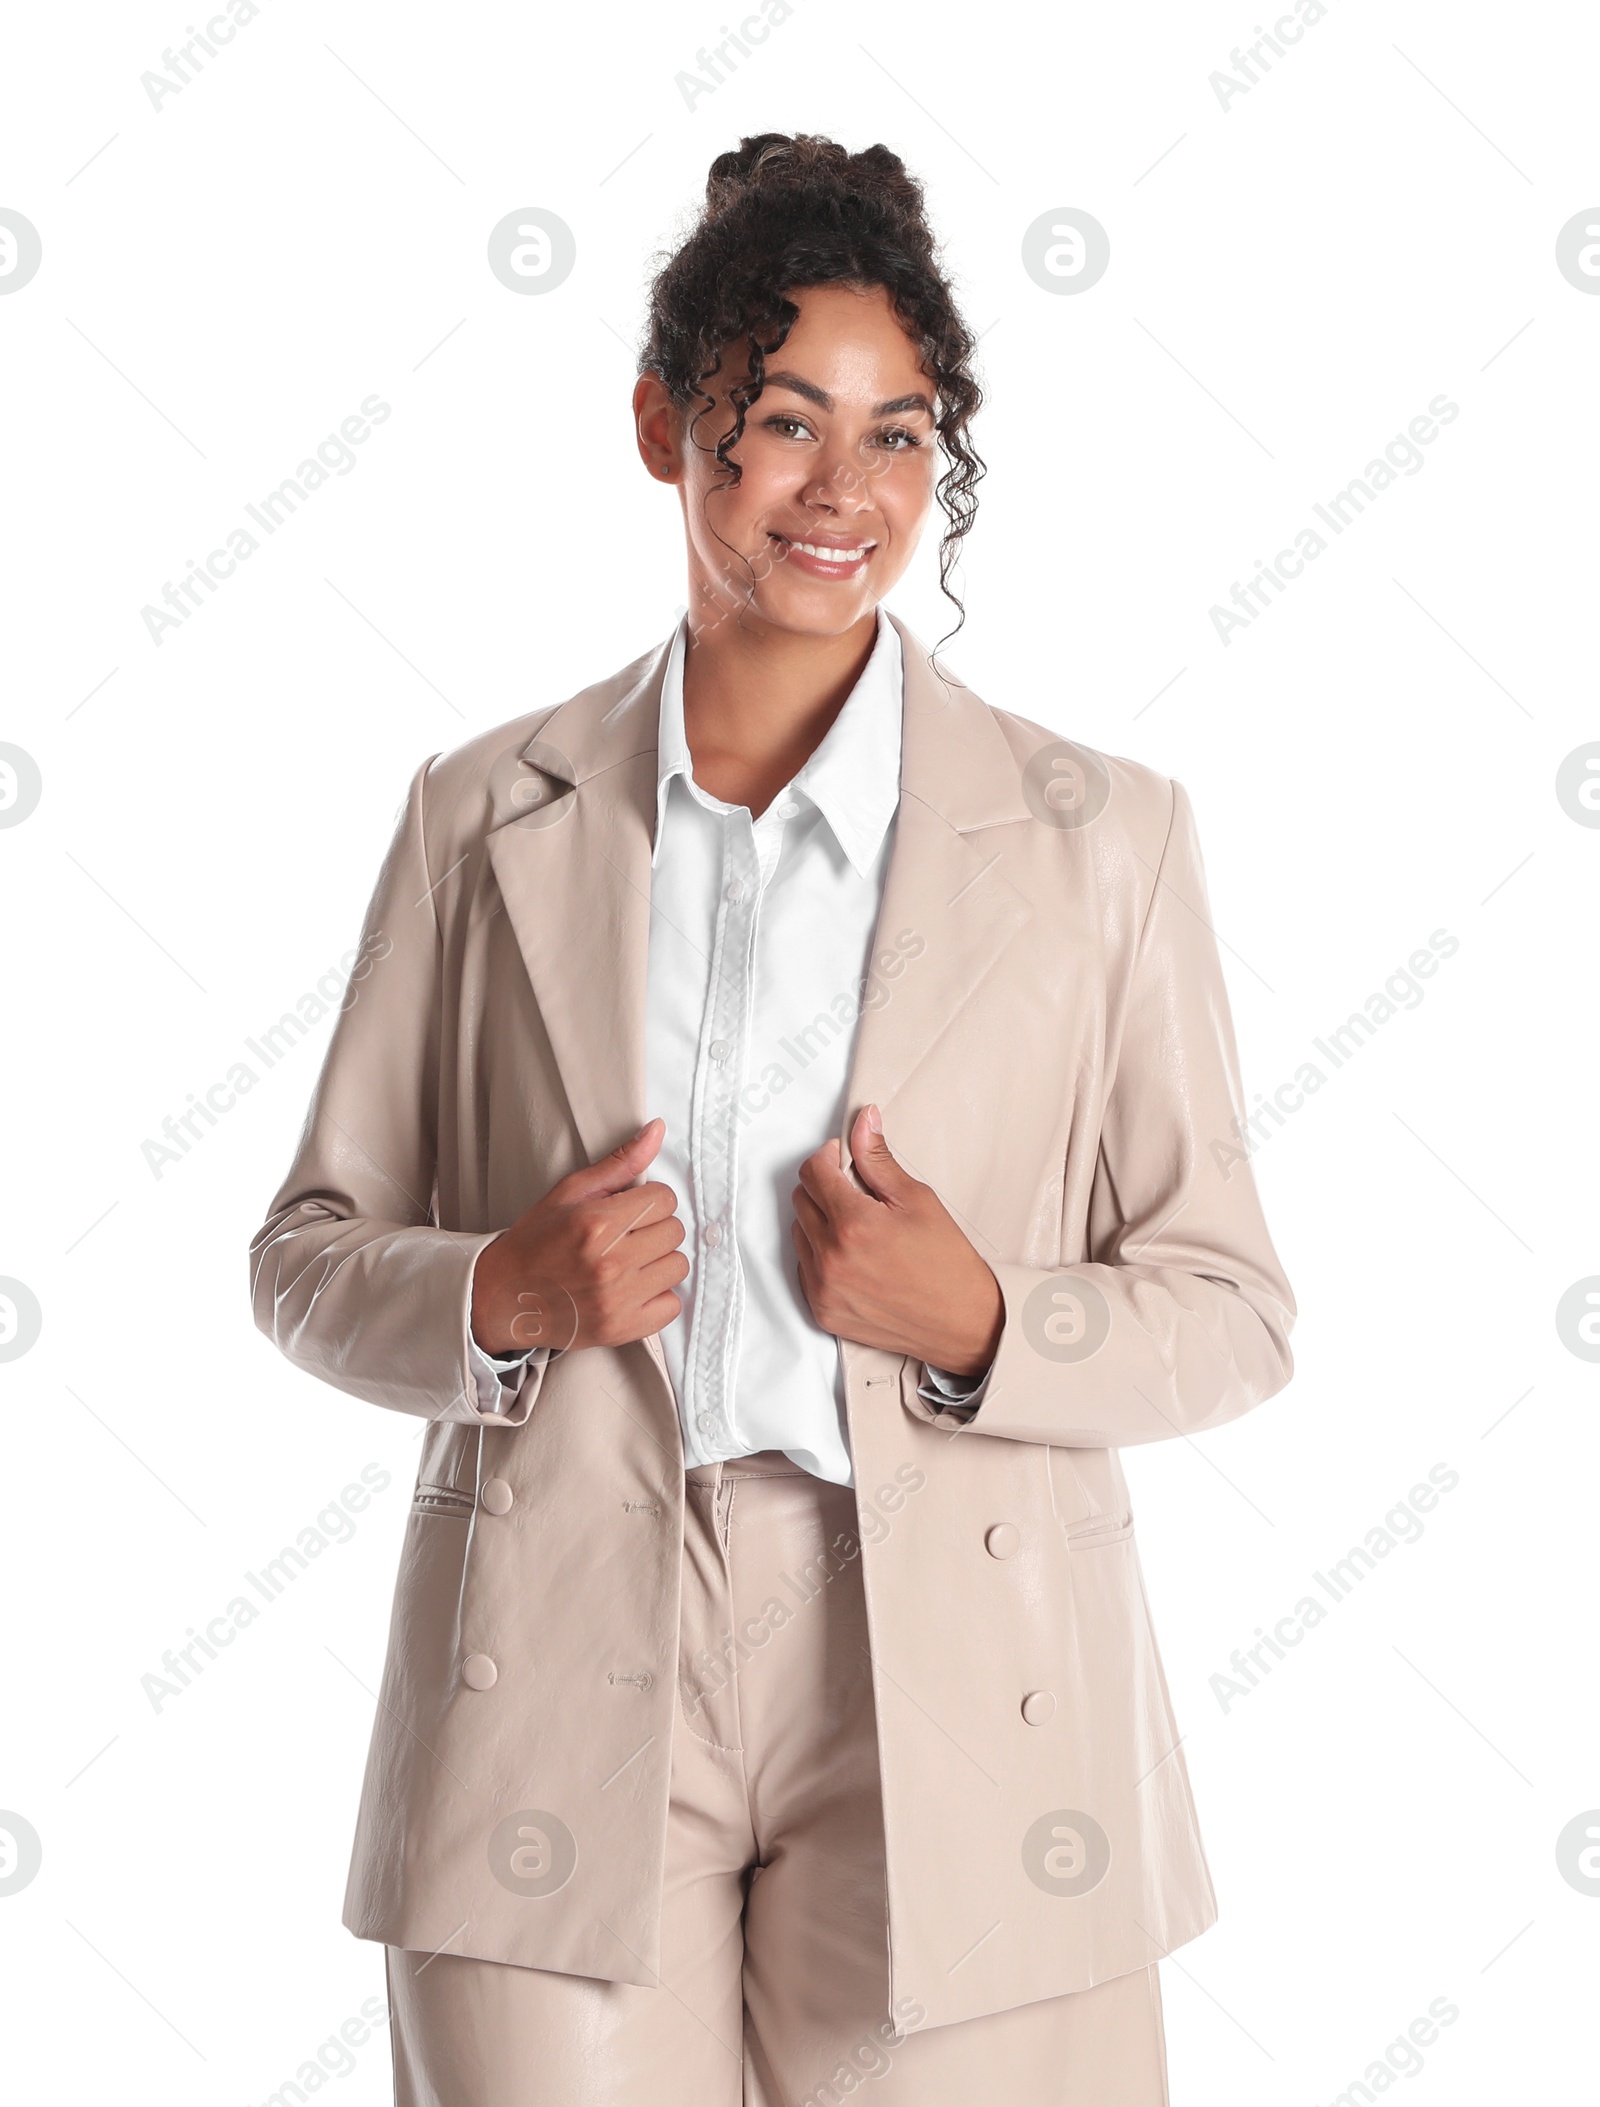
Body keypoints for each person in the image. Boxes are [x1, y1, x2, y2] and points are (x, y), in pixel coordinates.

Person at [250, 132, 1295, 2107]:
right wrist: (501, 1286)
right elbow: (304, 1256)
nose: (846, 494)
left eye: (899, 438)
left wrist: (987, 1318)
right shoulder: (480, 813)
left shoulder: (1102, 841)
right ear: (663, 426)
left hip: (959, 1667)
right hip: (555, 1654)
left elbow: (1232, 1304)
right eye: (785, 423)